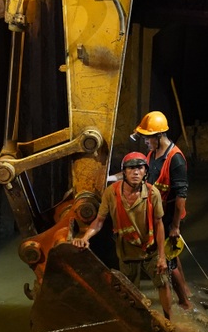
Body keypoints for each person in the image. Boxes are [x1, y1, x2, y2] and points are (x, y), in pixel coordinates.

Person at [72, 152, 172, 320]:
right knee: (130, 290)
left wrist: (162, 256)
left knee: (163, 283)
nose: (135, 172)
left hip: (150, 247)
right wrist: (85, 238)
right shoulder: (112, 193)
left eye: (140, 168)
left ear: (145, 172)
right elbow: (99, 221)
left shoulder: (152, 193)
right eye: (131, 168)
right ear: (124, 172)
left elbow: (159, 224)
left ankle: (169, 320)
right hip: (127, 248)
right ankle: (137, 322)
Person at [134, 110, 192, 310]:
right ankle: (186, 290)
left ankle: (185, 303)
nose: (145, 142)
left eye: (147, 138)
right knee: (172, 254)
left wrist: (175, 227)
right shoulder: (153, 154)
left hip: (170, 217)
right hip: (160, 214)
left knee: (167, 260)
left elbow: (181, 195)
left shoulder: (175, 158)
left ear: (158, 136)